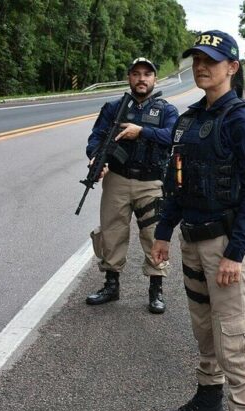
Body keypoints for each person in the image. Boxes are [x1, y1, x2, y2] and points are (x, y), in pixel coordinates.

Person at [151, 30, 245, 411]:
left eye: (211, 61)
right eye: (197, 60)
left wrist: (235, 254)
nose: (201, 66)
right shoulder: (188, 121)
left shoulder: (243, 121)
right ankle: (208, 403)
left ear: (232, 68)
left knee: (234, 340)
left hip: (225, 247)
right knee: (205, 331)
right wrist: (164, 231)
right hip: (192, 242)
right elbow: (176, 183)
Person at [85, 57, 178, 314]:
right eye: (136, 74)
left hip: (152, 181)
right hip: (117, 178)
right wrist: (95, 156)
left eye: (147, 74)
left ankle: (156, 289)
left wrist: (143, 131)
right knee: (112, 232)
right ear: (129, 77)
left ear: (154, 79)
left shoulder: (166, 110)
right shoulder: (114, 108)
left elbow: (173, 137)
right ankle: (111, 285)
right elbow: (97, 136)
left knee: (153, 235)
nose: (141, 78)